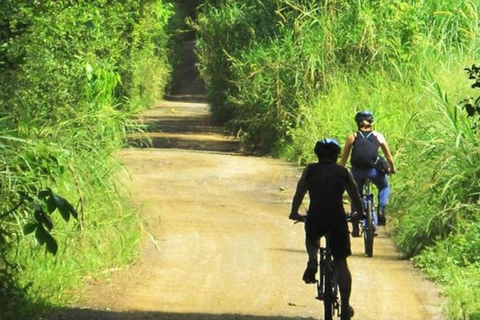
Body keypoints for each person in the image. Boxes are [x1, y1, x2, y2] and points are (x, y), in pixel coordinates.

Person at [289, 138, 363, 320]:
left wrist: (294, 212)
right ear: (336, 154)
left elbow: (300, 192)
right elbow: (355, 195)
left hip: (316, 215)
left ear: (318, 154)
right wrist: (360, 213)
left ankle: (313, 260)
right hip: (336, 217)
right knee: (341, 261)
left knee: (311, 235)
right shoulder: (343, 172)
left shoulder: (310, 170)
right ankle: (345, 307)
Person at [340, 111, 396, 231]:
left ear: (357, 123)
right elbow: (389, 157)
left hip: (356, 172)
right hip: (373, 172)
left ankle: (355, 222)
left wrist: (340, 171)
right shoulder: (378, 136)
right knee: (384, 186)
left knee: (355, 194)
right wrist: (392, 169)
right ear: (371, 123)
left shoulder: (353, 137)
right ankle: (381, 210)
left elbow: (344, 159)